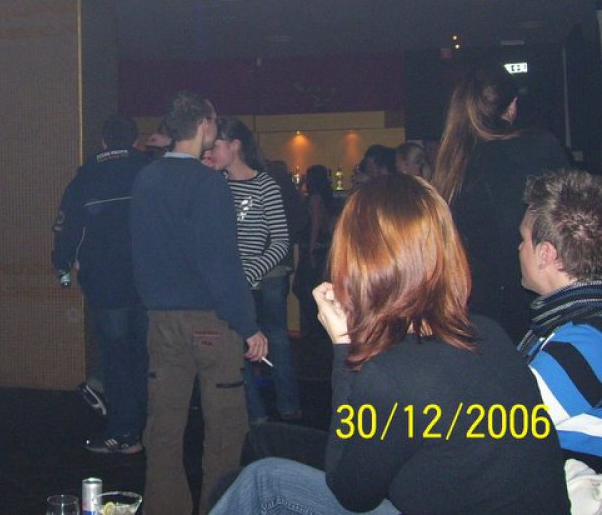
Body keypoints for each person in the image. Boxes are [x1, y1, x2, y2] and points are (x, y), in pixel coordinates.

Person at [210, 174, 570, 515]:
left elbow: (350, 493)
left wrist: (344, 346)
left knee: (261, 482)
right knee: (264, 442)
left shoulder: (393, 375)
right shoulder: (488, 332)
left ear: (363, 263)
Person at [130, 90, 268, 515]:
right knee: (225, 427)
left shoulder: (146, 179)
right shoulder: (209, 184)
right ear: (205, 125)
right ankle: (219, 507)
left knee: (164, 426)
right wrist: (248, 325)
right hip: (211, 321)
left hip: (161, 320)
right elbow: (221, 265)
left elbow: (139, 253)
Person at [432, 63, 569, 341]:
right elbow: (575, 218)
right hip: (540, 299)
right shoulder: (539, 147)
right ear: (512, 106)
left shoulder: (453, 165)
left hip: (474, 307)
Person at [52, 113, 150, 454]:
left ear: (104, 141)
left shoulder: (88, 175)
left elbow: (67, 226)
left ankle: (125, 433)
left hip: (106, 281)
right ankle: (148, 429)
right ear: (135, 140)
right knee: (144, 356)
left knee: (116, 357)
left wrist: (62, 265)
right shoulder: (149, 171)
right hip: (148, 281)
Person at [209, 117, 299, 424]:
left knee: (275, 339)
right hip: (232, 282)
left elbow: (281, 240)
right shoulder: (216, 185)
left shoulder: (265, 185)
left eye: (216, 145)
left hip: (264, 278)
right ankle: (257, 417)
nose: (210, 152)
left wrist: (250, 271)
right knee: (238, 348)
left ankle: (288, 407)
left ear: (235, 145)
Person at [517, 169, 602, 471]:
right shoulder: (576, 323)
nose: (518, 248)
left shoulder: (583, 345)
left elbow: (502, 426)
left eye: (523, 239)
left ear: (545, 254)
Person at [294, 164, 339, 335]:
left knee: (305, 289)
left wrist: (311, 251)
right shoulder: (327, 197)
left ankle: (312, 331)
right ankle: (318, 331)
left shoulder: (314, 198)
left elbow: (314, 225)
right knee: (317, 289)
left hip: (314, 248)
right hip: (324, 248)